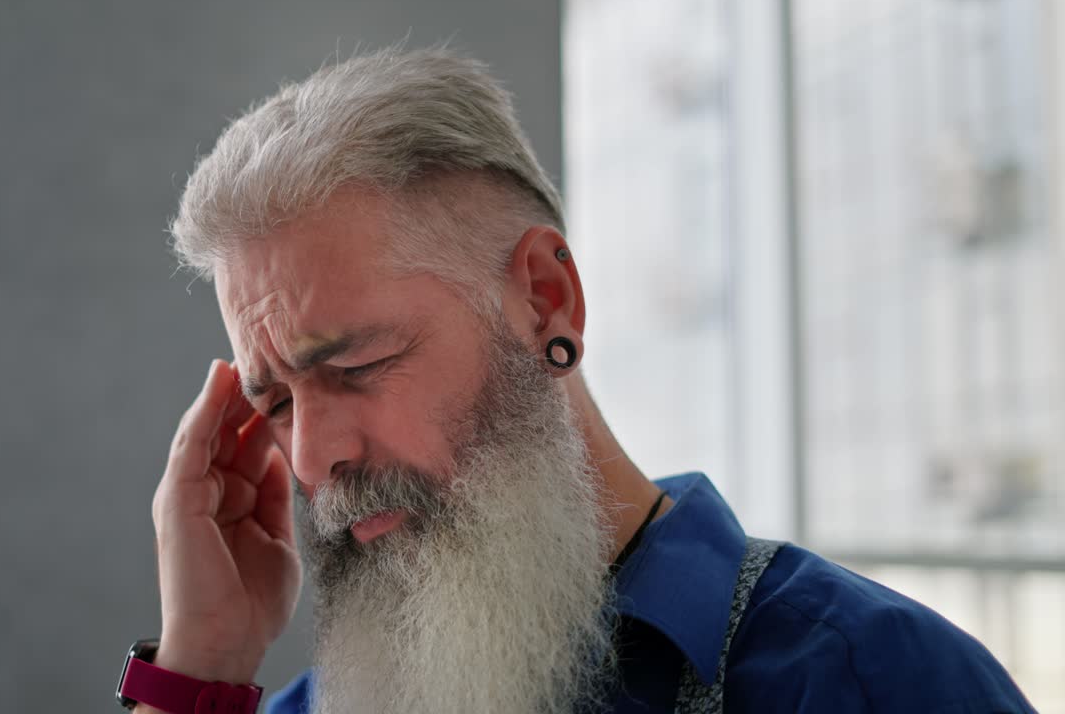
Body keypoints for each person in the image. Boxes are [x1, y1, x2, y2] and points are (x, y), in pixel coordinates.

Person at [127, 47, 1036, 714]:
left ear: (546, 301)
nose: (314, 459)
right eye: (276, 401)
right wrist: (198, 669)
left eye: (357, 364)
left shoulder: (873, 682)